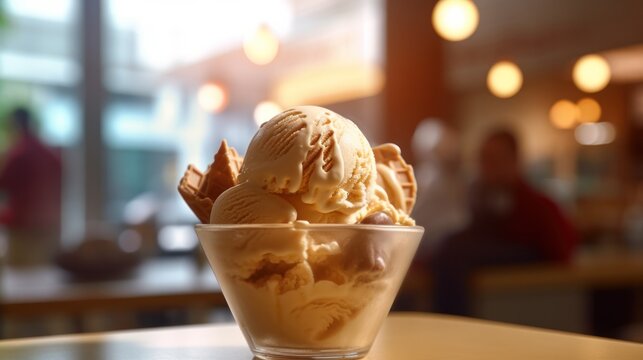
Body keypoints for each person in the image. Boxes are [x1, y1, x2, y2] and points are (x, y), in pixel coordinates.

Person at [430, 129, 578, 315]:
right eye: (484, 159)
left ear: (514, 160)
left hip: (536, 276)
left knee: (454, 250)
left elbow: (561, 252)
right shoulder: (480, 196)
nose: (487, 166)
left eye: (495, 159)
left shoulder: (537, 205)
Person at [0, 107, 62, 265]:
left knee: (21, 278)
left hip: (23, 227)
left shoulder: (18, 154)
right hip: (49, 225)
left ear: (15, 125)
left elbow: (4, 183)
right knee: (45, 273)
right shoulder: (50, 153)